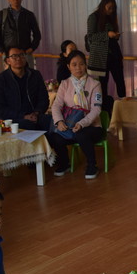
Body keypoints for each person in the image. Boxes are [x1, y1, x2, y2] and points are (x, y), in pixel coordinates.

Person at [46, 50, 104, 179]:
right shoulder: (65, 84)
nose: (78, 68)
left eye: (81, 64)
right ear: (68, 67)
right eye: (74, 64)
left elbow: (96, 109)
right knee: (55, 136)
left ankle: (92, 166)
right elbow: (56, 105)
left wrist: (82, 123)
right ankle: (64, 163)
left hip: (92, 127)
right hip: (69, 125)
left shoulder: (95, 84)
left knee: (81, 134)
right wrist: (59, 121)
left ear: (86, 65)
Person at [0, 47, 50, 130]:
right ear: (8, 61)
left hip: (35, 115)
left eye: (21, 55)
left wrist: (37, 113)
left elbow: (44, 99)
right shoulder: (0, 80)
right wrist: (24, 116)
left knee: (52, 121)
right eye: (14, 56)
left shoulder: (35, 75)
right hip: (14, 119)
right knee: (28, 125)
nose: (18, 58)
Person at [86, 0, 126, 112]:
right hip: (101, 57)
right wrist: (107, 34)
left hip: (114, 54)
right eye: (109, 8)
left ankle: (124, 108)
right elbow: (91, 37)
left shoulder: (111, 17)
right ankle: (104, 112)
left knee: (120, 82)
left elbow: (112, 37)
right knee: (102, 85)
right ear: (103, 5)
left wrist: (116, 35)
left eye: (113, 8)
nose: (111, 10)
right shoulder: (93, 17)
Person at [0, 0, 41, 68]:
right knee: (10, 76)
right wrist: (3, 51)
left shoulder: (29, 15)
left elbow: (37, 34)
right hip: (9, 55)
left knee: (28, 75)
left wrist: (32, 48)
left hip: (25, 53)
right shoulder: (2, 15)